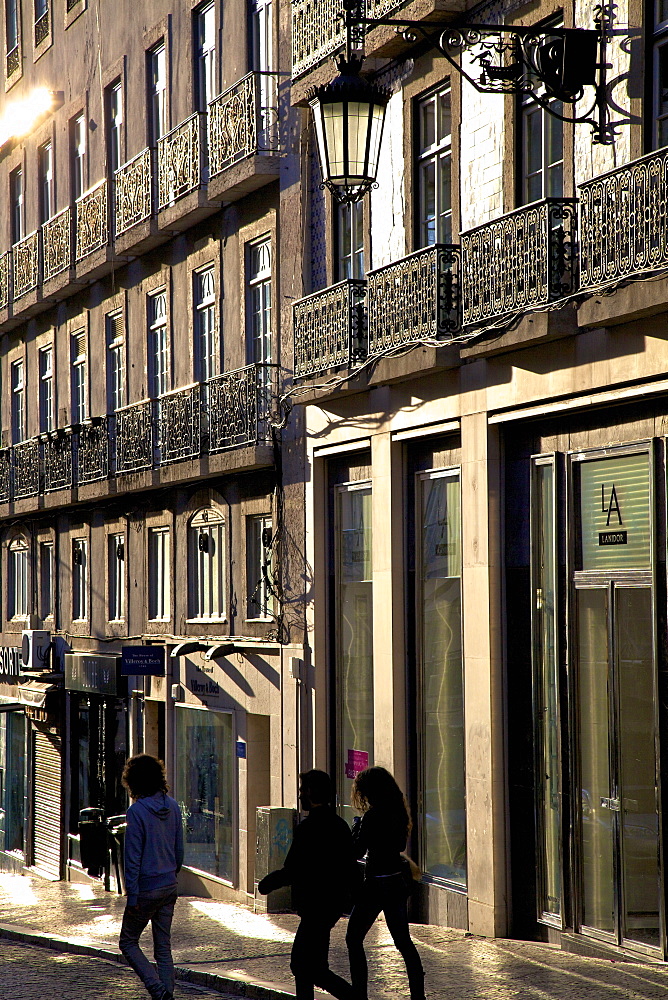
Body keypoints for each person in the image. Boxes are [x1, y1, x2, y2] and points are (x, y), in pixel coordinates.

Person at [257, 769, 355, 1000]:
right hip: (331, 905)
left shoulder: (308, 828)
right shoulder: (340, 825)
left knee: (304, 966)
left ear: (311, 793)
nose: (299, 796)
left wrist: (267, 884)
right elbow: (349, 867)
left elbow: (293, 869)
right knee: (310, 967)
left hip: (315, 906)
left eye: (302, 791)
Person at [346, 766, 425, 1000]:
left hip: (375, 885)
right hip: (395, 883)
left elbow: (357, 850)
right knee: (404, 943)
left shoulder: (373, 816)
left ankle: (359, 994)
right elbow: (400, 846)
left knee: (354, 938)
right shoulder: (398, 812)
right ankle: (418, 996)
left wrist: (356, 828)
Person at [118, 754, 184, 1000]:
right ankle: (167, 993)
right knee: (163, 948)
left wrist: (132, 895)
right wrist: (171, 874)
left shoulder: (136, 812)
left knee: (128, 942)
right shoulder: (174, 806)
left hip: (146, 888)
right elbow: (179, 851)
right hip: (169, 884)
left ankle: (158, 991)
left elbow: (132, 858)